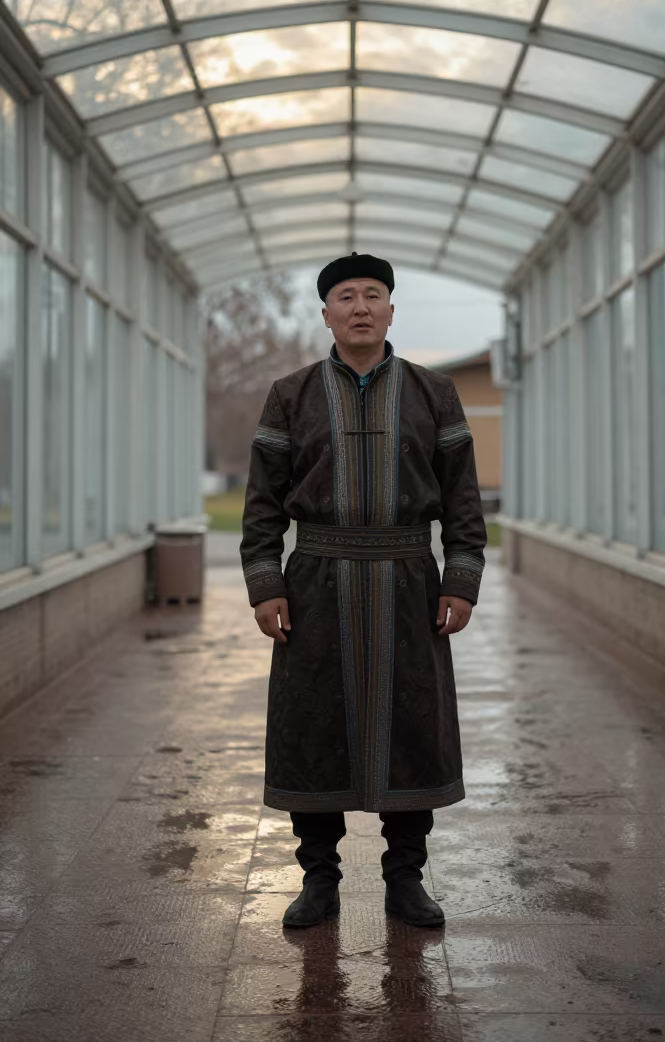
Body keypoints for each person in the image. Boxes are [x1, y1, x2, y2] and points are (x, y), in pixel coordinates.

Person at [241, 252, 487, 928]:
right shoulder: (290, 394)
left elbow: (463, 501)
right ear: (326, 314)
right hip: (315, 584)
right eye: (345, 296)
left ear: (390, 309)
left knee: (413, 730)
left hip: (410, 584)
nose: (359, 306)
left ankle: (404, 882)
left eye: (372, 294)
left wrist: (461, 579)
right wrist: (266, 584)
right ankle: (318, 882)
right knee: (310, 728)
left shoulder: (434, 392)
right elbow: (262, 504)